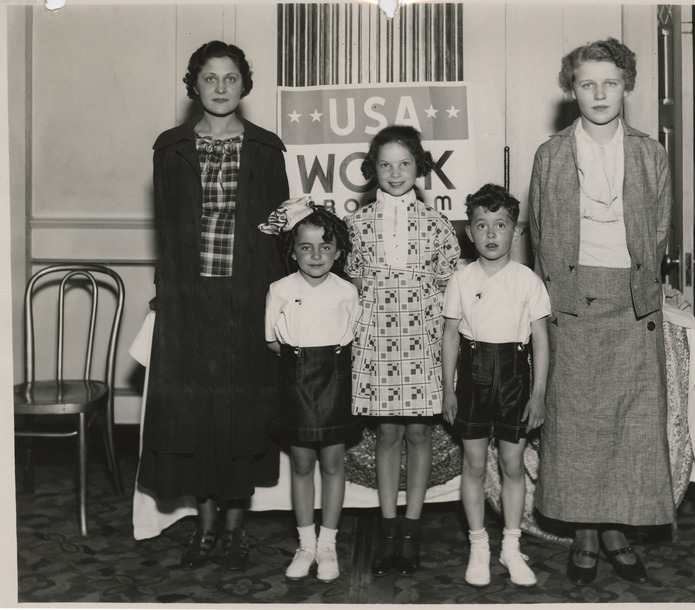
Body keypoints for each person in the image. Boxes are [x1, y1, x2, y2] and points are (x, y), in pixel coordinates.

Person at [137, 41, 289, 571]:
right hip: (191, 301)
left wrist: (275, 301)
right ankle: (203, 525)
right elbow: (165, 229)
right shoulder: (170, 147)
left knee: (241, 415)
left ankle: (235, 527)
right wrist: (168, 295)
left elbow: (277, 233)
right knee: (195, 413)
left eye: (230, 78)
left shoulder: (268, 149)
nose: (220, 88)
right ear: (193, 86)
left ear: (245, 86)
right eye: (209, 78)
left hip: (246, 299)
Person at [529, 38, 673, 585]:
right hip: (572, 305)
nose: (599, 93)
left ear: (626, 85)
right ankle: (585, 533)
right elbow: (541, 236)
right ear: (573, 90)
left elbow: (658, 232)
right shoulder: (551, 154)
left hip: (633, 307)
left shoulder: (649, 153)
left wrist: (647, 293)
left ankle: (617, 527)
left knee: (629, 424)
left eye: (609, 82)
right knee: (575, 427)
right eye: (587, 84)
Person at [345, 125, 461, 576]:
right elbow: (354, 284)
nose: (395, 173)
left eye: (405, 164)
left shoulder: (436, 225)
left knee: (419, 434)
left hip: (422, 338)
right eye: (385, 164)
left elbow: (447, 287)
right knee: (388, 435)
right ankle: (388, 525)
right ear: (372, 169)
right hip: (376, 339)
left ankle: (412, 529)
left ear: (421, 167)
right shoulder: (356, 224)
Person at [441, 184, 550, 588]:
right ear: (469, 232)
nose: (491, 234)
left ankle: (510, 543)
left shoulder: (527, 281)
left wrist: (537, 393)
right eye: (482, 225)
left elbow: (540, 339)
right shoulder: (461, 278)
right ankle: (478, 544)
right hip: (473, 376)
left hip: (514, 379)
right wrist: (449, 388)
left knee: (511, 465)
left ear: (515, 232)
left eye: (500, 225)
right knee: (473, 464)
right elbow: (451, 335)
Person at [262, 199, 362, 583]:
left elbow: (352, 339)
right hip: (297, 381)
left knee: (333, 464)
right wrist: (298, 364)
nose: (316, 255)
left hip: (335, 381)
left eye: (325, 246)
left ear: (338, 252)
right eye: (306, 247)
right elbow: (272, 341)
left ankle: (327, 545)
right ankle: (305, 543)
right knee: (302, 464)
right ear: (293, 251)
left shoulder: (347, 292)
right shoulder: (280, 290)